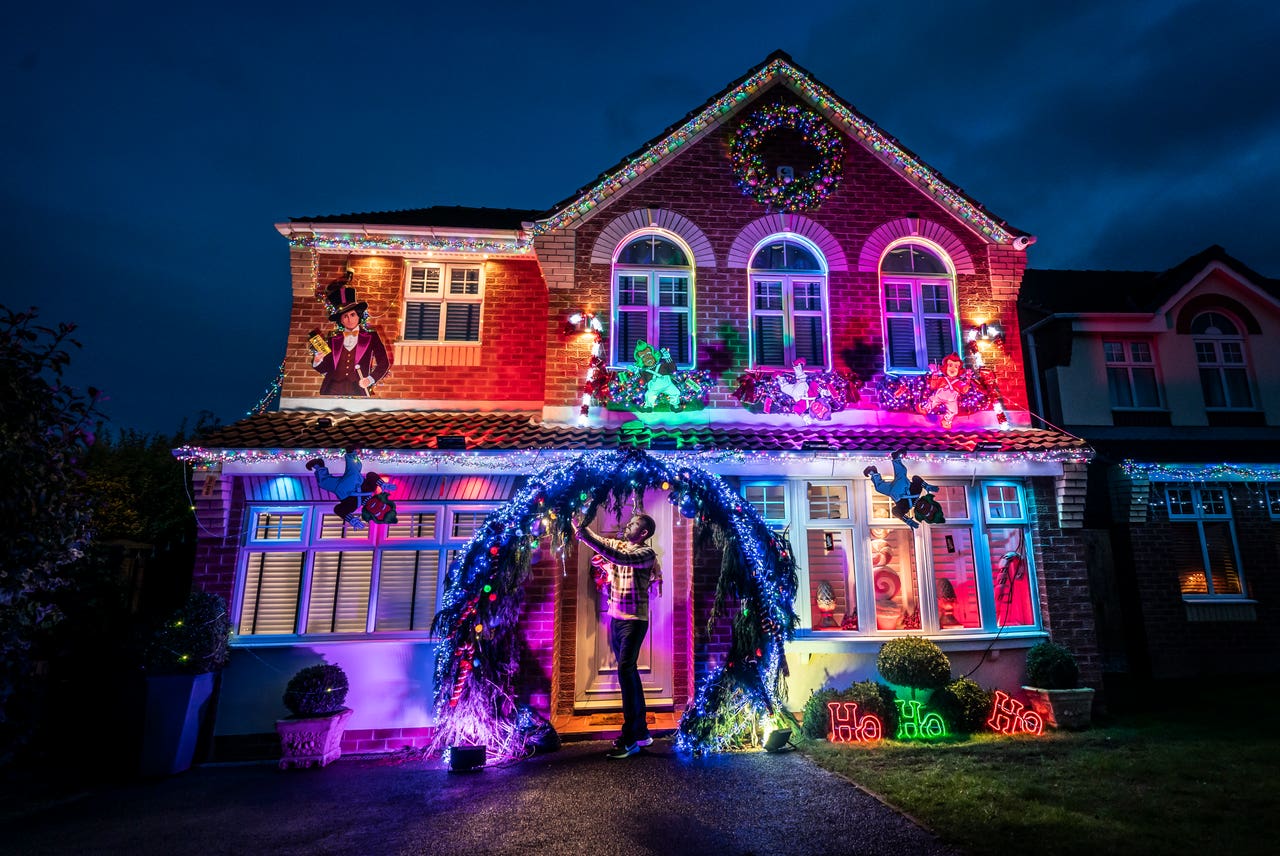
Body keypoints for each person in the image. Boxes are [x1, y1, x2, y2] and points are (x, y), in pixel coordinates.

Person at [574, 511, 660, 759]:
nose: (627, 525)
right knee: (630, 675)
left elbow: (618, 557)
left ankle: (630, 739)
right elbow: (599, 540)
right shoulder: (621, 544)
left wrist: (587, 536)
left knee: (626, 673)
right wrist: (579, 524)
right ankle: (642, 733)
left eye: (633, 524)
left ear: (643, 533)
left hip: (634, 622)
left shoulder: (645, 554)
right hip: (617, 619)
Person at [312, 284, 390, 396]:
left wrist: (370, 379)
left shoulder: (372, 337)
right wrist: (317, 361)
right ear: (341, 321)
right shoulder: (333, 339)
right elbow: (325, 368)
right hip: (332, 389)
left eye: (352, 315)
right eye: (345, 316)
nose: (349, 319)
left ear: (358, 316)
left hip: (358, 389)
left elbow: (384, 362)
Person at [863, 450, 938, 530]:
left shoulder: (906, 507)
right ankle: (896, 458)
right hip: (902, 486)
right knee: (901, 474)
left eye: (925, 512)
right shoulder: (917, 491)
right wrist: (926, 485)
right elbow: (915, 478)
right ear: (928, 502)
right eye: (928, 508)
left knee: (879, 488)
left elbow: (895, 511)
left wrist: (906, 520)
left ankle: (873, 472)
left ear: (919, 513)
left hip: (892, 492)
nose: (924, 508)